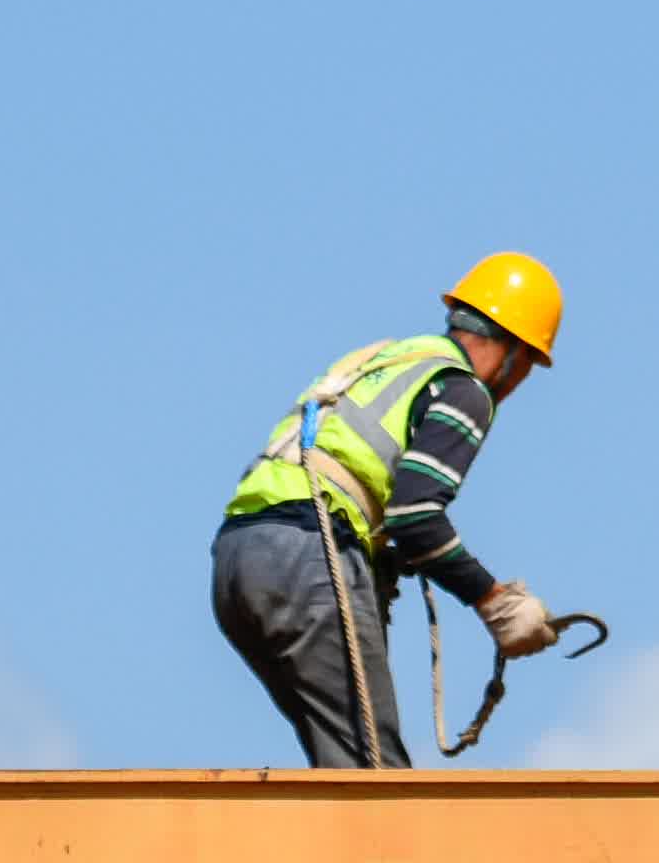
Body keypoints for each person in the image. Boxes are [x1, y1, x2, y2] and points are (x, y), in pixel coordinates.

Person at [215, 253, 564, 766]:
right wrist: (495, 601)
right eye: (528, 367)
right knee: (376, 777)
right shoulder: (463, 389)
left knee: (341, 759)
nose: (516, 386)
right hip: (309, 553)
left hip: (238, 558)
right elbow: (416, 515)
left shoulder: (389, 360)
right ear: (510, 349)